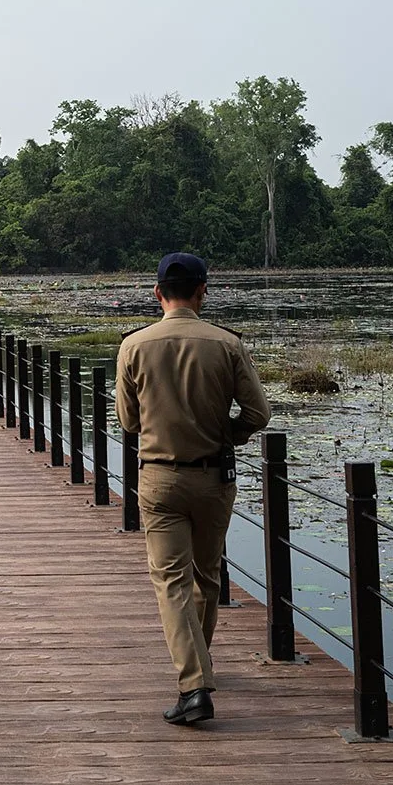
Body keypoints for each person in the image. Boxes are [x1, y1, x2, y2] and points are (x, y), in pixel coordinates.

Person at [115, 252, 271, 726]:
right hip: (214, 477)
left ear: (158, 292)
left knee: (171, 579)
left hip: (160, 476)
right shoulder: (227, 344)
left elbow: (127, 421)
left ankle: (195, 683)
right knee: (206, 576)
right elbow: (257, 414)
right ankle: (198, 671)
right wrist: (225, 435)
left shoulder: (134, 347)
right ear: (204, 291)